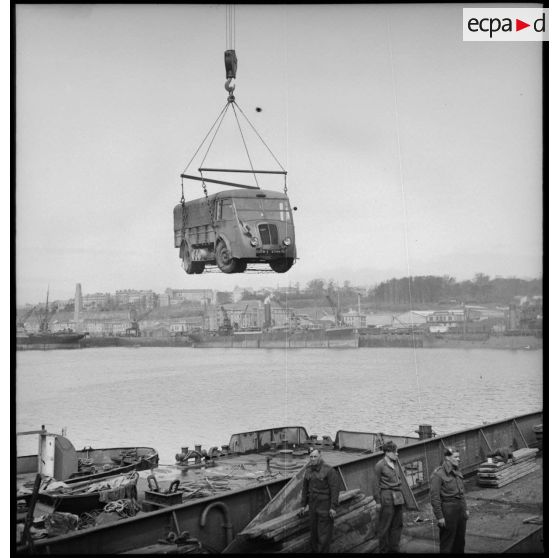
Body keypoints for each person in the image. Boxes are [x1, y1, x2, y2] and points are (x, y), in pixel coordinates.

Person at [298, 448, 340, 553]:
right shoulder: (308, 470)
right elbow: (305, 489)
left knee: (324, 535)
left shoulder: (329, 470)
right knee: (314, 533)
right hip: (313, 506)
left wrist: (333, 507)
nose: (312, 459)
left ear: (320, 456)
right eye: (311, 457)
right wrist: (303, 505)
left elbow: (335, 490)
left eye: (315, 456)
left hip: (325, 506)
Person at [430, 446, 469, 553]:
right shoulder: (438, 474)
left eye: (459, 457)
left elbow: (461, 492)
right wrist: (439, 517)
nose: (459, 459)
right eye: (456, 457)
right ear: (447, 458)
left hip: (460, 510)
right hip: (448, 511)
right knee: (447, 542)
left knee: (460, 541)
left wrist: (465, 508)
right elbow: (435, 498)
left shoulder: (457, 471)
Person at [372, 441, 405, 553]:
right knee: (385, 525)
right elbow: (375, 484)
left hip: (398, 495)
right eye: (395, 452)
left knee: (397, 523)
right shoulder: (380, 465)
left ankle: (394, 549)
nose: (397, 454)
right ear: (387, 452)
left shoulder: (395, 463)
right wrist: (378, 501)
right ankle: (383, 550)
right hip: (386, 496)